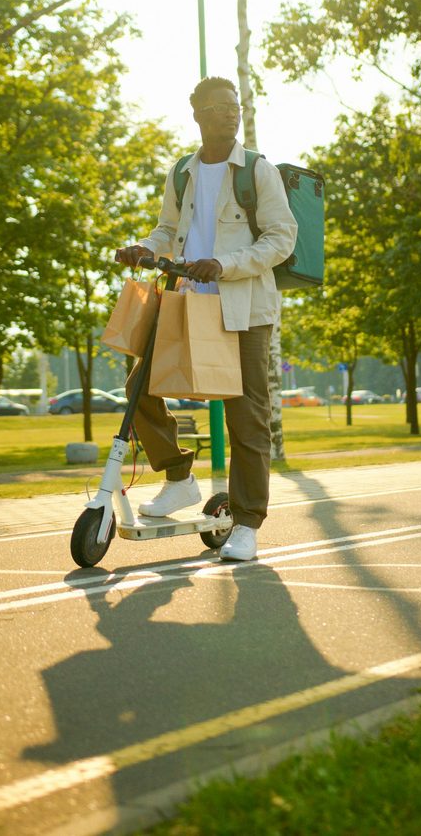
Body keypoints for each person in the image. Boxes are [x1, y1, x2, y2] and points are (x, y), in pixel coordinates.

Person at [115, 76, 297, 561]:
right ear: (197, 114)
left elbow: (282, 238)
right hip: (188, 303)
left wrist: (226, 264)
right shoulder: (183, 171)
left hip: (243, 312)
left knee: (248, 420)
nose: (230, 114)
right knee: (141, 389)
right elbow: (168, 228)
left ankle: (248, 524)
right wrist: (144, 249)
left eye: (234, 106)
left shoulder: (257, 170)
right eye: (219, 107)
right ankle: (178, 477)